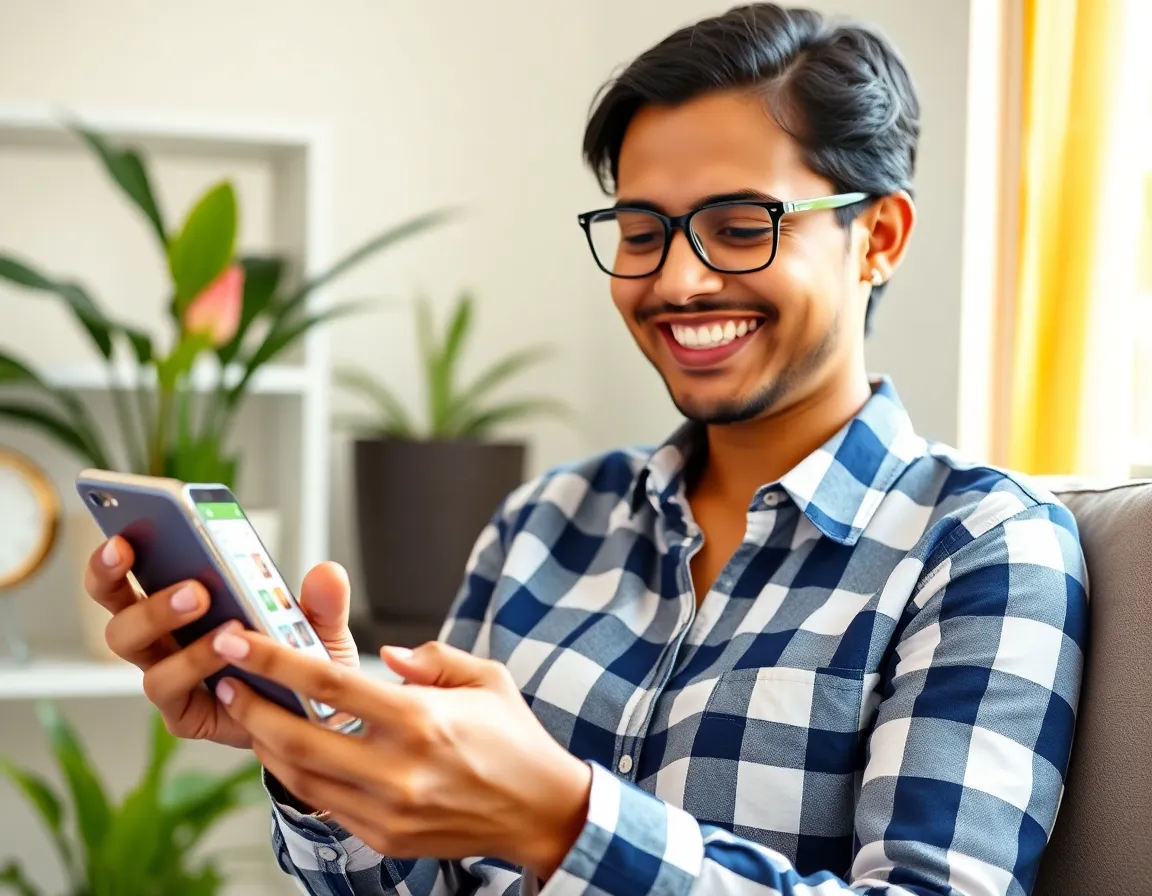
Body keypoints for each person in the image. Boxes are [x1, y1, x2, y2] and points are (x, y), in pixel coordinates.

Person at [83, 4, 1088, 895]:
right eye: (643, 231)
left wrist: (561, 817)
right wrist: (317, 746)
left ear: (879, 238)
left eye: (741, 227)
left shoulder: (983, 545)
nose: (681, 281)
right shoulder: (545, 519)